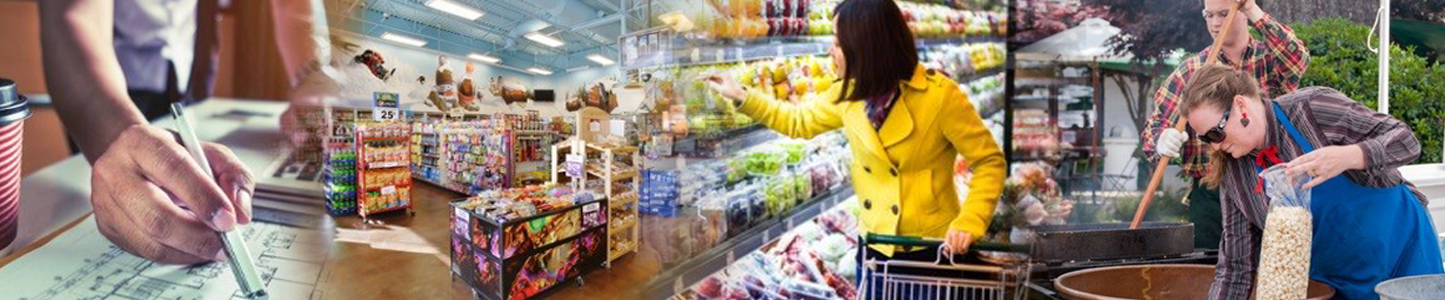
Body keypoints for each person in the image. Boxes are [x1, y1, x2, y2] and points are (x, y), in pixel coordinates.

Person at [705, 0, 1005, 296]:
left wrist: (971, 220)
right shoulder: (849, 93)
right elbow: (799, 120)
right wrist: (742, 95)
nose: (829, 51)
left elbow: (989, 161)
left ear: (866, 46)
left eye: (837, 42)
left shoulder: (939, 97)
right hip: (874, 248)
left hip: (931, 252)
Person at [37, 0, 330, 264]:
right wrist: (118, 135)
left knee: (187, 192)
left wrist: (309, 81)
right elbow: (73, 15)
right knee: (125, 204)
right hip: (106, 88)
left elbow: (291, 6)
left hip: (192, 70)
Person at [1179, 65, 1443, 300]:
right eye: (1206, 138)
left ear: (1240, 106)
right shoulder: (1234, 176)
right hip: (1336, 284)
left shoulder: (1310, 109)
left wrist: (1348, 156)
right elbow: (1236, 268)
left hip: (1402, 257)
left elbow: (1406, 141)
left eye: (1216, 132)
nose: (1215, 145)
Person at [1143, 0, 1309, 249]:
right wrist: (1160, 139)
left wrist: (1253, 10)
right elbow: (1155, 127)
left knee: (1273, 266)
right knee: (1208, 271)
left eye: (1223, 14)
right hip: (1212, 191)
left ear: (1242, 13)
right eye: (1209, 15)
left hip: (1269, 183)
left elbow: (1297, 59)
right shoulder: (1191, 71)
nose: (1216, 23)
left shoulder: (1269, 60)